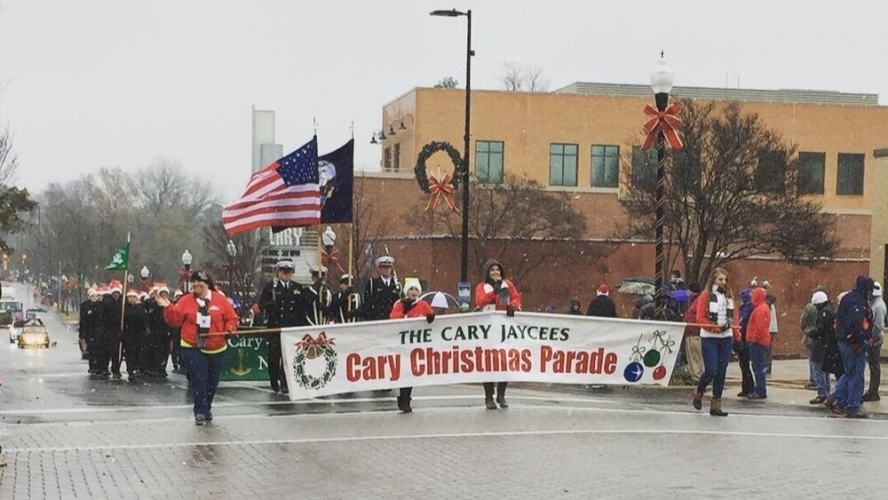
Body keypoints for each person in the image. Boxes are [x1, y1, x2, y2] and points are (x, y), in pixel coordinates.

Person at [160, 271, 238, 425]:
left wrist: (230, 328)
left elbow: (232, 318)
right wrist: (168, 307)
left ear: (207, 283)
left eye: (199, 281)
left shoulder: (220, 300)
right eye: (193, 281)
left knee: (212, 382)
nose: (196, 284)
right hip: (192, 346)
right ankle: (200, 411)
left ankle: (207, 406)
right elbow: (174, 321)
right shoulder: (185, 301)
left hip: (217, 346)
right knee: (199, 379)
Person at [692, 268, 739, 417]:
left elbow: (734, 318)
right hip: (709, 336)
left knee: (721, 371)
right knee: (711, 369)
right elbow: (700, 318)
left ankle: (716, 402)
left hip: (726, 337)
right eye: (720, 279)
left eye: (725, 280)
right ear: (713, 280)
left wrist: (737, 336)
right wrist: (714, 328)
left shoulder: (729, 297)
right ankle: (700, 390)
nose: (723, 283)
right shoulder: (705, 296)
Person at [475, 259, 521, 410]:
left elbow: (515, 298)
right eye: (492, 270)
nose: (495, 272)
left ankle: (501, 395)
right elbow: (480, 301)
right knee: (488, 364)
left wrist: (512, 306)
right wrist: (494, 293)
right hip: (488, 329)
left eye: (497, 270)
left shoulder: (507, 284)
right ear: (487, 273)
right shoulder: (482, 287)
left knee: (504, 362)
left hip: (504, 328)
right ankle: (489, 397)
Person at [258, 260, 310, 394]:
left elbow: (302, 309)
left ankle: (286, 382)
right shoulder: (271, 287)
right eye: (283, 272)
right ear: (279, 272)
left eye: (288, 273)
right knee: (274, 358)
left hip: (290, 329)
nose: (286, 275)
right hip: (275, 327)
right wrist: (271, 304)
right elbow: (261, 305)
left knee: (288, 358)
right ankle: (274, 381)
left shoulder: (298, 288)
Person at [827, 276, 874, 418]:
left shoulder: (848, 298)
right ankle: (852, 405)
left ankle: (835, 398)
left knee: (850, 372)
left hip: (845, 341)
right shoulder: (858, 301)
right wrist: (858, 341)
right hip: (853, 343)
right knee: (856, 374)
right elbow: (855, 323)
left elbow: (843, 321)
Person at [389, 278, 434, 413]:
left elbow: (430, 315)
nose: (413, 292)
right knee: (404, 371)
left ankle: (406, 398)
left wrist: (430, 317)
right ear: (406, 291)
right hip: (402, 343)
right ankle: (403, 397)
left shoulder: (423, 304)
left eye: (416, 289)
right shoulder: (400, 303)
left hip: (416, 345)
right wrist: (404, 312)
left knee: (412, 371)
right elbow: (393, 318)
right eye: (411, 289)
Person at [809, 290, 837, 405]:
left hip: (821, 344)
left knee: (818, 368)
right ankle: (826, 393)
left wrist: (812, 333)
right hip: (827, 344)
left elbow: (821, 329)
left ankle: (822, 393)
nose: (815, 307)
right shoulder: (831, 309)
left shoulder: (824, 313)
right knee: (824, 370)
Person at [800, 285, 828, 390]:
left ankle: (814, 380)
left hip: (811, 335)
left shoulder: (810, 307)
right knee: (821, 361)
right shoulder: (827, 308)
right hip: (822, 338)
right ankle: (821, 382)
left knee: (813, 360)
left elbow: (803, 321)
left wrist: (805, 330)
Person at [746, 287, 771, 399]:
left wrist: (754, 339)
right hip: (761, 341)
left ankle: (760, 390)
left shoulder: (760, 309)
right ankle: (760, 389)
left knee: (758, 366)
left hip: (757, 342)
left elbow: (759, 328)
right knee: (759, 366)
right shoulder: (763, 308)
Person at [863, 281, 886, 402]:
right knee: (873, 366)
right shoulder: (875, 304)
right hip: (873, 338)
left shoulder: (879, 306)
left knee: (874, 366)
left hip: (875, 340)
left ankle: (873, 392)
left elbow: (878, 326)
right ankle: (872, 391)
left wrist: (872, 338)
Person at [362, 256, 402, 321]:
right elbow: (368, 303)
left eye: (388, 267)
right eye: (384, 267)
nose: (387, 269)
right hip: (377, 319)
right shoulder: (373, 283)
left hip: (393, 320)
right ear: (379, 269)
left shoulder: (397, 284)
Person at [122, 289, 148, 381]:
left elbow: (144, 320)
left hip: (139, 333)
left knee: (139, 352)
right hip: (129, 333)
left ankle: (139, 368)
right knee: (130, 353)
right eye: (130, 297)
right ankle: (130, 370)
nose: (132, 299)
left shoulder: (140, 307)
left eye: (134, 297)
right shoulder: (125, 308)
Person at [734, 287, 755, 398]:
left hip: (744, 338)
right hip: (745, 337)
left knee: (744, 363)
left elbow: (741, 322)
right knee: (744, 364)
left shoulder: (747, 307)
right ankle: (747, 387)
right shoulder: (749, 306)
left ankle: (748, 387)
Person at [682, 283, 704, 382]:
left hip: (694, 331)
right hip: (690, 331)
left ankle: (698, 375)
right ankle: (694, 375)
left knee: (695, 355)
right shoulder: (693, 301)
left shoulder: (698, 301)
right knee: (691, 355)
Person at [78, 288, 101, 374]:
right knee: (91, 350)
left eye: (95, 296)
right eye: (92, 296)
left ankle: (98, 366)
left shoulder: (99, 306)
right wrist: (82, 334)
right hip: (89, 331)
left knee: (98, 349)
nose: (94, 298)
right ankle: (92, 366)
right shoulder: (85, 306)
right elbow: (83, 321)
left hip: (98, 331)